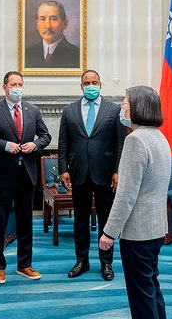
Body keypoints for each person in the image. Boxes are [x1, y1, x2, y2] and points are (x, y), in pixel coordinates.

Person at [98, 85, 171, 319]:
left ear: (137, 108)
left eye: (125, 103)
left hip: (138, 232)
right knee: (150, 285)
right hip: (156, 227)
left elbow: (126, 194)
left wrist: (109, 232)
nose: (121, 107)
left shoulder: (135, 141)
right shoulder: (159, 136)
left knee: (140, 294)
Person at [0, 71, 52, 284]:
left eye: (20, 84)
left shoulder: (33, 110)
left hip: (26, 175)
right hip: (2, 176)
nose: (17, 87)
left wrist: (35, 145)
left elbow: (45, 136)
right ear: (4, 88)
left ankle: (24, 264)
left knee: (25, 223)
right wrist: (4, 145)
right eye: (13, 84)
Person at [58, 69, 127, 281]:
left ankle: (106, 263)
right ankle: (82, 261)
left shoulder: (114, 110)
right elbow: (63, 143)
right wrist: (63, 169)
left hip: (106, 174)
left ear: (100, 84)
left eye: (94, 82)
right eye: (86, 83)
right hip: (78, 173)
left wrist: (118, 170)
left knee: (107, 220)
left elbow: (120, 142)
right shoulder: (69, 110)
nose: (90, 86)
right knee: (80, 220)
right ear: (81, 86)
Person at [25, 0, 80, 68]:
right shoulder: (27, 53)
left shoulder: (77, 54)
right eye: (42, 19)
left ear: (65, 23)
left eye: (53, 19)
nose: (48, 26)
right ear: (37, 24)